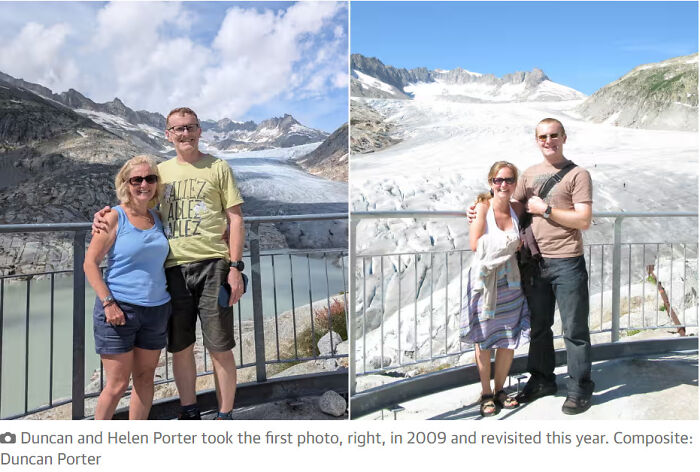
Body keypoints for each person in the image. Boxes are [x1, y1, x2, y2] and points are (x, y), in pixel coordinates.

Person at [94, 107, 245, 420]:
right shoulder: (160, 172)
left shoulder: (218, 167)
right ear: (169, 134)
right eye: (178, 129)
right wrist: (103, 216)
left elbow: (235, 216)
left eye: (190, 127)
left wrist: (235, 267)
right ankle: (189, 410)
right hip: (173, 269)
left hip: (212, 264)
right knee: (181, 346)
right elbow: (137, 202)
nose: (185, 134)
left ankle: (225, 415)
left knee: (219, 345)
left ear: (200, 130)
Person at [512, 118, 594, 415]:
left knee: (574, 329)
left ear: (564, 137)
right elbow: (513, 208)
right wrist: (479, 209)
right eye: (543, 136)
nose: (549, 140)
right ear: (537, 140)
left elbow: (583, 220)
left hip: (567, 260)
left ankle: (580, 386)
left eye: (554, 135)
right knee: (539, 326)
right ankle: (543, 379)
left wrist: (545, 209)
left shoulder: (578, 174)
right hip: (535, 263)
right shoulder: (530, 174)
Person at [84, 155, 171, 420]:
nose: (144, 184)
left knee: (145, 380)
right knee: (117, 385)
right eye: (137, 179)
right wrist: (108, 303)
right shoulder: (112, 217)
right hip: (119, 310)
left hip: (156, 310)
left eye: (150, 178)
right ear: (126, 183)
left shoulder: (157, 218)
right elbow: (90, 264)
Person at [461, 161, 530, 417]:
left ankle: (501, 389)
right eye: (498, 180)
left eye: (508, 180)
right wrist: (511, 242)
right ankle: (486, 392)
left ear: (515, 183)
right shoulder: (482, 207)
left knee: (507, 336)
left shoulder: (517, 208)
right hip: (485, 280)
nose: (503, 185)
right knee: (484, 337)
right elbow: (475, 244)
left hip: (511, 280)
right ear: (490, 182)